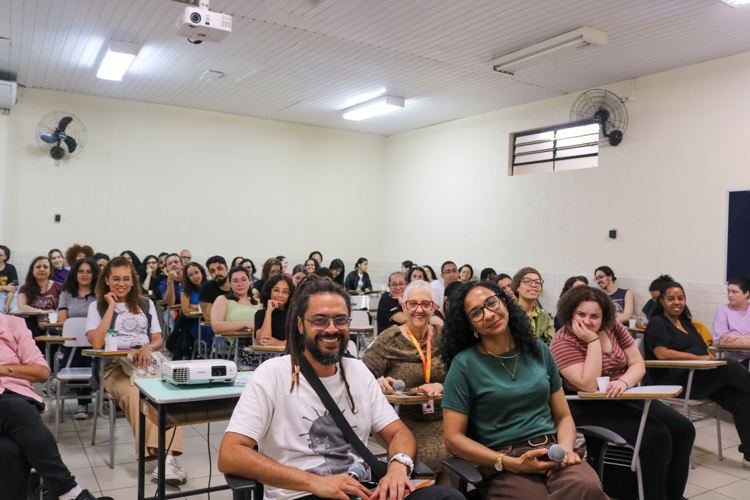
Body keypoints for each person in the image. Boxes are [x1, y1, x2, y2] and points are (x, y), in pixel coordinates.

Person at [218, 275, 462, 500]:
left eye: (340, 320)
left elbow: (400, 434)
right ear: (301, 325)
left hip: (363, 490)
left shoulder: (358, 372)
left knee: (447, 496)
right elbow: (231, 454)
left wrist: (398, 466)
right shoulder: (272, 375)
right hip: (303, 493)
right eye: (320, 320)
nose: (332, 329)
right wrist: (314, 482)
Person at [440, 281, 607, 500]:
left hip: (553, 450)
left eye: (492, 303)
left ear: (506, 304)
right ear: (470, 326)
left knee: (586, 487)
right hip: (504, 460)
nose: (489, 314)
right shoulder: (464, 364)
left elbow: (563, 415)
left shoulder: (539, 351)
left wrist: (565, 450)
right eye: (476, 313)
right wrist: (511, 463)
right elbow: (453, 439)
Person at [550, 285, 694, 500]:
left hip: (621, 395)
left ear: (604, 316)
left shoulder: (613, 326)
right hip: (585, 404)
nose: (587, 321)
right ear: (570, 312)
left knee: (684, 429)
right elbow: (588, 385)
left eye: (595, 316)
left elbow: (637, 364)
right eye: (581, 314)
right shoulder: (562, 341)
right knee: (656, 437)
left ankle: (673, 495)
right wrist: (593, 341)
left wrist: (624, 383)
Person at [86, 257, 188, 485]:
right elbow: (95, 342)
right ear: (106, 280)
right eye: (116, 279)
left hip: (142, 363)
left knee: (166, 395)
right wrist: (111, 306)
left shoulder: (145, 304)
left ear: (133, 281)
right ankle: (165, 460)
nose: (121, 283)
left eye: (126, 279)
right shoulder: (97, 306)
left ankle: (167, 461)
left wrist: (146, 348)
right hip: (113, 368)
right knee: (135, 394)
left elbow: (158, 339)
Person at [645, 281, 750, 468]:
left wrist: (707, 358)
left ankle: (749, 456)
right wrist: (698, 358)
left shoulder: (686, 323)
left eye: (680, 298)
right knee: (730, 365)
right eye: (671, 299)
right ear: (661, 301)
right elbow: (662, 353)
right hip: (677, 381)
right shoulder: (657, 323)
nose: (676, 302)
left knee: (743, 401)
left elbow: (704, 351)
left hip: (700, 378)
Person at [0, 313, 99, 500]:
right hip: (17, 408)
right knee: (19, 409)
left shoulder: (13, 324)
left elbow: (42, 372)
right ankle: (67, 490)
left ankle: (63, 490)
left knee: (8, 450)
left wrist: (4, 369)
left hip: (17, 398)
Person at [363, 280, 448, 479]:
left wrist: (442, 385)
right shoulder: (390, 338)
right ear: (404, 306)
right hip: (401, 420)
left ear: (434, 307)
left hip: (442, 418)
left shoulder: (445, 339)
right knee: (430, 453)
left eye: (426, 304)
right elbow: (360, 374)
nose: (419, 310)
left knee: (455, 449)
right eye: (413, 304)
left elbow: (463, 377)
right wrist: (376, 382)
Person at [57, 258, 99, 420]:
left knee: (86, 355)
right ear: (75, 273)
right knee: (80, 354)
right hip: (72, 342)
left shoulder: (99, 295)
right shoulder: (66, 293)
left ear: (94, 274)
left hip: (93, 342)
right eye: (81, 271)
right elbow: (63, 322)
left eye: (89, 271)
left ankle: (79, 400)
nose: (84, 275)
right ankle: (83, 401)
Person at [211, 266, 259, 359]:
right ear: (230, 284)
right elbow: (216, 326)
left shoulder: (258, 303)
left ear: (250, 281)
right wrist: (246, 324)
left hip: (260, 343)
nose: (240, 284)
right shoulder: (223, 300)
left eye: (243, 280)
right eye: (235, 281)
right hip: (237, 344)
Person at [18, 256, 64, 336]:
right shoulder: (25, 288)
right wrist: (42, 312)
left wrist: (48, 318)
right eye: (38, 267)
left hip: (53, 320)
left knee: (53, 330)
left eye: (45, 267)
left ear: (50, 271)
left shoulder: (59, 287)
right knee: (29, 329)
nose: (42, 269)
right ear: (32, 270)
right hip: (32, 321)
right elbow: (22, 307)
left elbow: (62, 307)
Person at [511, 267, 554, 345]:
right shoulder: (508, 313)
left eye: (538, 282)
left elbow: (551, 345)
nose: (534, 285)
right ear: (517, 287)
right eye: (527, 281)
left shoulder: (544, 318)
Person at [713, 276, 750, 362]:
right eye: (728, 292)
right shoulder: (723, 310)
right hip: (734, 361)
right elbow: (722, 341)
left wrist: (740, 337)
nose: (730, 295)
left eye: (734, 292)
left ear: (746, 293)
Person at [254, 274, 295, 347]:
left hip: (292, 354)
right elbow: (263, 340)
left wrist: (279, 343)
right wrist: (269, 312)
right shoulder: (261, 314)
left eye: (285, 292)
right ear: (269, 291)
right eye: (276, 290)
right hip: (269, 356)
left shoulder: (294, 314)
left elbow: (302, 341)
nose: (280, 295)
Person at [181, 262, 213, 351]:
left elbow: (215, 305)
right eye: (190, 275)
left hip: (213, 319)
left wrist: (194, 306)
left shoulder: (211, 285)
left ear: (201, 272)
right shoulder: (186, 289)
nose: (195, 277)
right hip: (196, 323)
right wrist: (204, 307)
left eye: (196, 272)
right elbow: (186, 310)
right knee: (208, 330)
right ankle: (214, 354)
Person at [198, 256, 231, 321]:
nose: (217, 273)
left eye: (220, 269)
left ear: (227, 269)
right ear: (210, 273)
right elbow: (208, 317)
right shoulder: (206, 287)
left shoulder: (237, 284)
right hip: (219, 328)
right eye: (212, 271)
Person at [0, 244, 18, 314]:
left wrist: (7, 304)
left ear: (5, 257)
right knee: (1, 312)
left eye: (0, 255)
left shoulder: (11, 268)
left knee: (15, 311)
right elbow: (8, 287)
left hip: (10, 294)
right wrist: (4, 287)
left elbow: (12, 289)